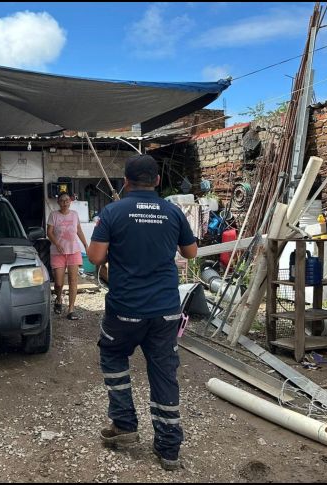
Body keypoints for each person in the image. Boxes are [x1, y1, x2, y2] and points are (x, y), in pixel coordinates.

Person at [87, 154, 197, 471]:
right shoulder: (173, 211)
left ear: (126, 181)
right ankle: (169, 449)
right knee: (164, 373)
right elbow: (190, 252)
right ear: (158, 181)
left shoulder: (113, 212)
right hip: (165, 310)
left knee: (113, 355)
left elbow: (95, 257)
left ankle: (124, 424)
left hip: (126, 308)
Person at [47, 192, 89, 320]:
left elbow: (79, 230)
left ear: (70, 201)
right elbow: (49, 232)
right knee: (58, 283)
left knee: (73, 281)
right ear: (58, 202)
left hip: (74, 251)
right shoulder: (54, 215)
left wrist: (85, 244)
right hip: (58, 252)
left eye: (67, 200)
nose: (65, 203)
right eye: (62, 200)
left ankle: (71, 309)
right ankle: (58, 299)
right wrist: (57, 243)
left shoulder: (74, 214)